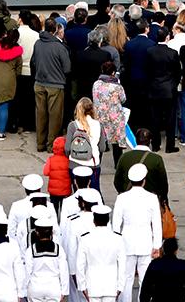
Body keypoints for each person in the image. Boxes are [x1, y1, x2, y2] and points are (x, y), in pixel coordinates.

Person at [113, 164, 162, 302]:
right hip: (146, 242)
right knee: (145, 280)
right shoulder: (152, 198)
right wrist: (157, 245)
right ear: (144, 180)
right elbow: (156, 223)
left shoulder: (122, 198)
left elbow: (116, 224)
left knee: (126, 279)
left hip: (126, 242)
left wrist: (116, 244)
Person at [31, 18, 71, 153]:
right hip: (55, 84)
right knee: (55, 116)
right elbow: (67, 68)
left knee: (40, 114)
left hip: (39, 82)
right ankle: (51, 145)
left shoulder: (37, 43)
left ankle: (40, 143)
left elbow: (34, 61)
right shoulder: (59, 47)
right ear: (55, 30)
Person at [76, 205, 127, 302]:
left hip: (92, 285)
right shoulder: (118, 238)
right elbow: (122, 264)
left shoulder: (85, 239)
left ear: (94, 220)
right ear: (108, 220)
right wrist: (120, 286)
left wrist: (82, 286)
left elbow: (80, 265)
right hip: (111, 286)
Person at [146, 27, 182, 153]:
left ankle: (155, 145)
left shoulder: (150, 51)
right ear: (167, 37)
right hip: (168, 90)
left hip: (154, 89)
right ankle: (170, 146)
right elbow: (178, 72)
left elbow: (147, 71)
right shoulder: (172, 53)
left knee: (154, 119)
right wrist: (173, 85)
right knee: (170, 119)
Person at [114, 128, 169, 202]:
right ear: (150, 141)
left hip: (128, 199)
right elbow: (163, 184)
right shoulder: (157, 159)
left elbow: (117, 181)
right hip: (150, 200)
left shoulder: (124, 157)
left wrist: (124, 193)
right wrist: (163, 199)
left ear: (136, 140)